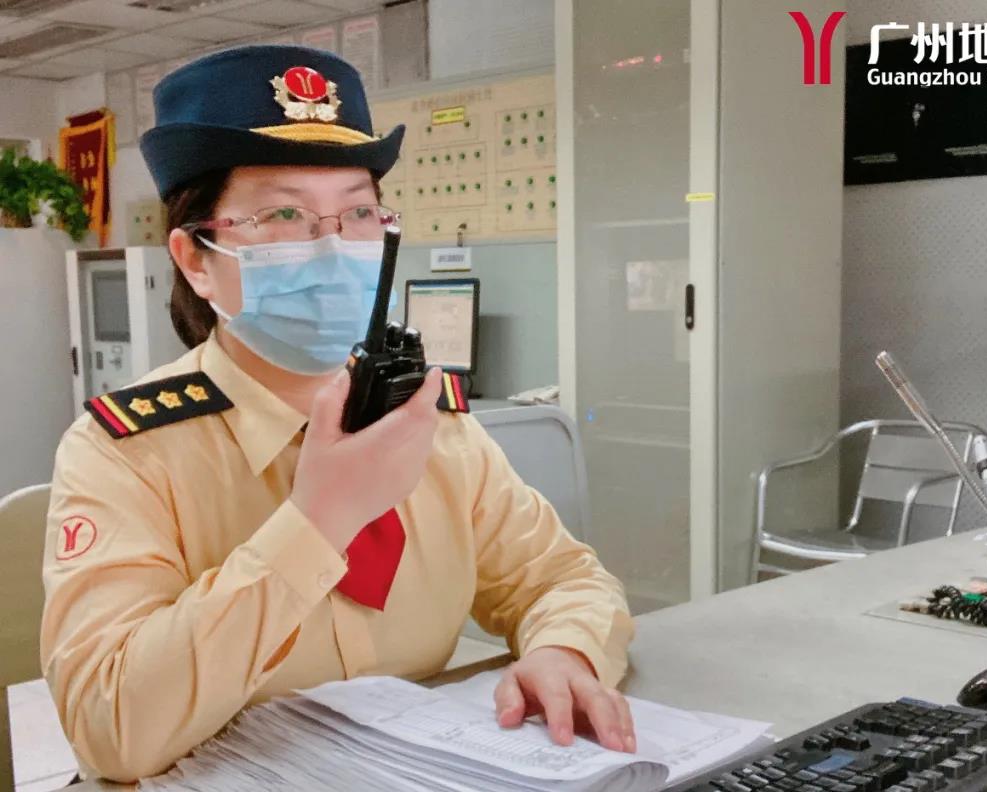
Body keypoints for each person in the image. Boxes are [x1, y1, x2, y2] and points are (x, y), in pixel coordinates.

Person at [40, 45, 634, 783]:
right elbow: (109, 730)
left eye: (358, 212)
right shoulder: (125, 451)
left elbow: (562, 579)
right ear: (197, 258)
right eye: (284, 213)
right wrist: (316, 523)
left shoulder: (427, 422)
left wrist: (564, 650)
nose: (334, 247)